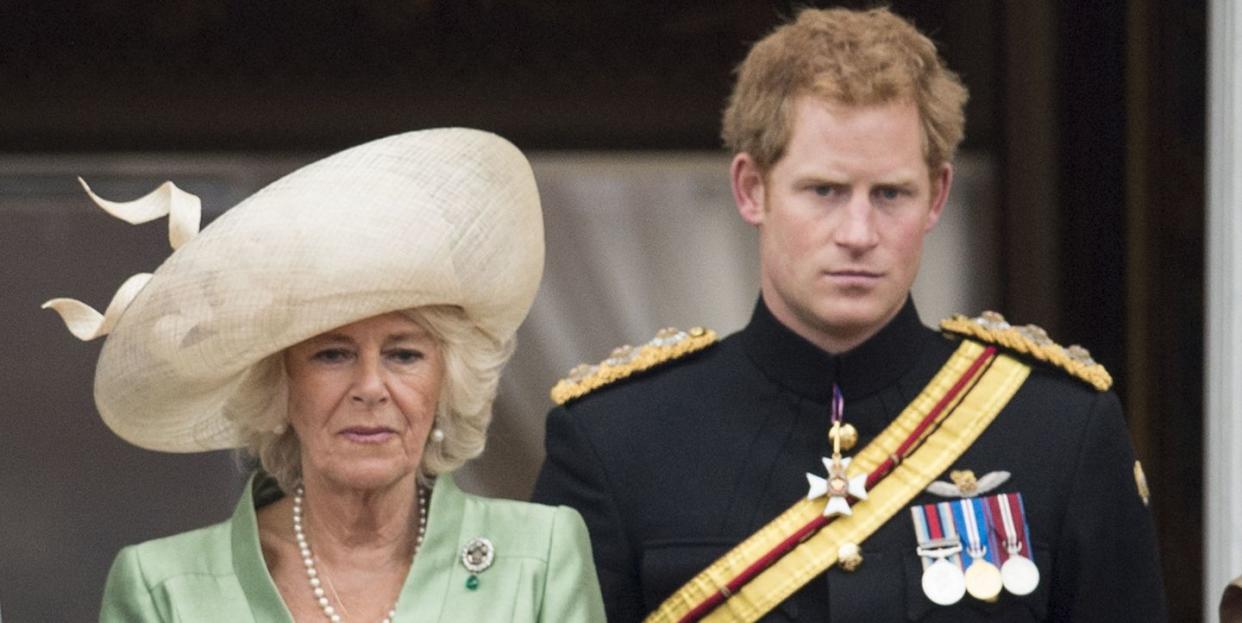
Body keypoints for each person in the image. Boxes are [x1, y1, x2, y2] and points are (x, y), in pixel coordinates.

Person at [532, 7, 1166, 622]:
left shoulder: (1060, 430)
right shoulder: (617, 441)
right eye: (825, 191)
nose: (858, 232)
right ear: (753, 189)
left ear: (937, 196)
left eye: (890, 193)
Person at [45, 129, 605, 622]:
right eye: (332, 355)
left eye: (404, 355)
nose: (370, 387)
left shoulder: (542, 554)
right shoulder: (162, 585)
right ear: (279, 385)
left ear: (447, 381)